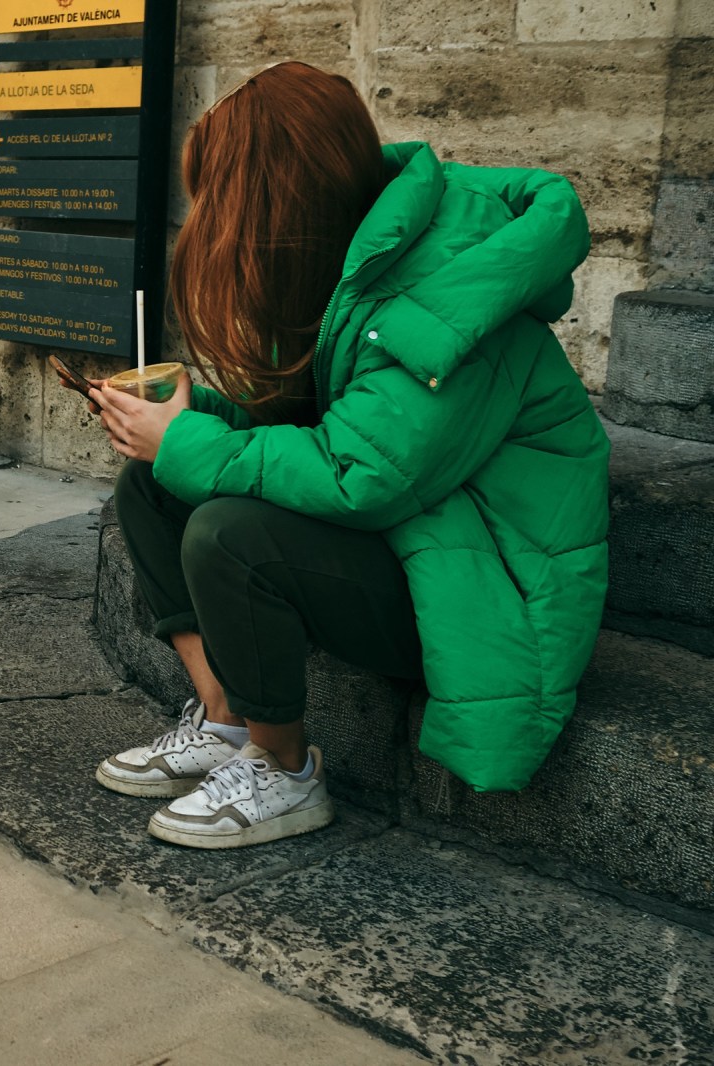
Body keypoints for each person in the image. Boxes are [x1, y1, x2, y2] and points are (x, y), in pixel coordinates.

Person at [64, 62, 608, 849]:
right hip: (414, 539)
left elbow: (361, 478)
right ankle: (223, 719)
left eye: (227, 203)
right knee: (152, 484)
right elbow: (335, 423)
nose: (217, 225)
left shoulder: (452, 297)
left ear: (282, 201)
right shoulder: (360, 257)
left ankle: (282, 770)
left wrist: (190, 441)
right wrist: (191, 418)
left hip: (481, 593)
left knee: (228, 533)